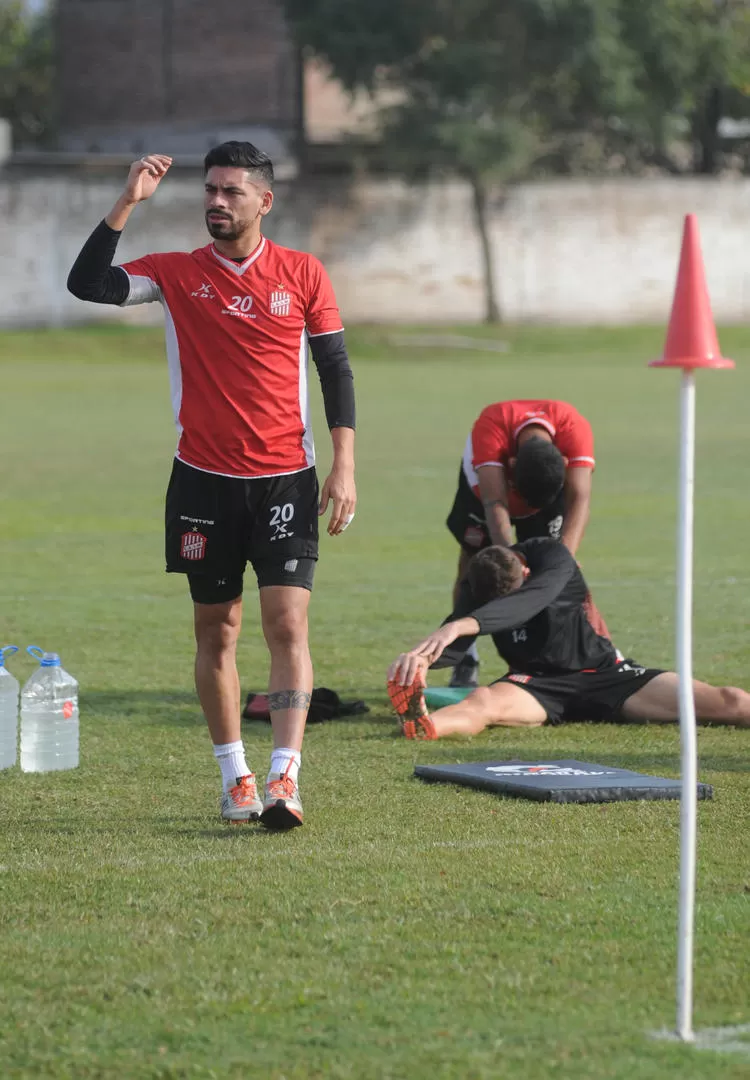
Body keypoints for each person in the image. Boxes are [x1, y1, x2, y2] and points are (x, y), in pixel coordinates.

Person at [67, 142, 357, 829]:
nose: (216, 202)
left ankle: (286, 776)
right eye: (210, 191)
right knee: (216, 632)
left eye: (231, 191)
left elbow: (336, 370)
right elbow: (88, 284)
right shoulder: (173, 273)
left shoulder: (303, 273)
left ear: (264, 200)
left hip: (287, 479)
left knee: (287, 623)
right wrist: (127, 202)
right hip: (202, 484)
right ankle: (236, 777)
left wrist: (344, 464)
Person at [387, 539, 750, 738]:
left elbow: (525, 605)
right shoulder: (479, 583)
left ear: (525, 571)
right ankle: (424, 725)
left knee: (729, 701)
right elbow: (456, 644)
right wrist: (422, 658)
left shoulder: (553, 559)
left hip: (608, 676)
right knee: (482, 701)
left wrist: (460, 624)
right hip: (537, 686)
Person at [446, 399, 595, 688]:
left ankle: (548, 657)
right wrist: (512, 560)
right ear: (510, 466)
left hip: (542, 485)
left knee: (555, 573)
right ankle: (466, 657)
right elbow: (495, 502)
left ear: (565, 464)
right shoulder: (490, 428)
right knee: (474, 568)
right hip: (484, 495)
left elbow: (581, 498)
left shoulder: (575, 429)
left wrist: (561, 560)